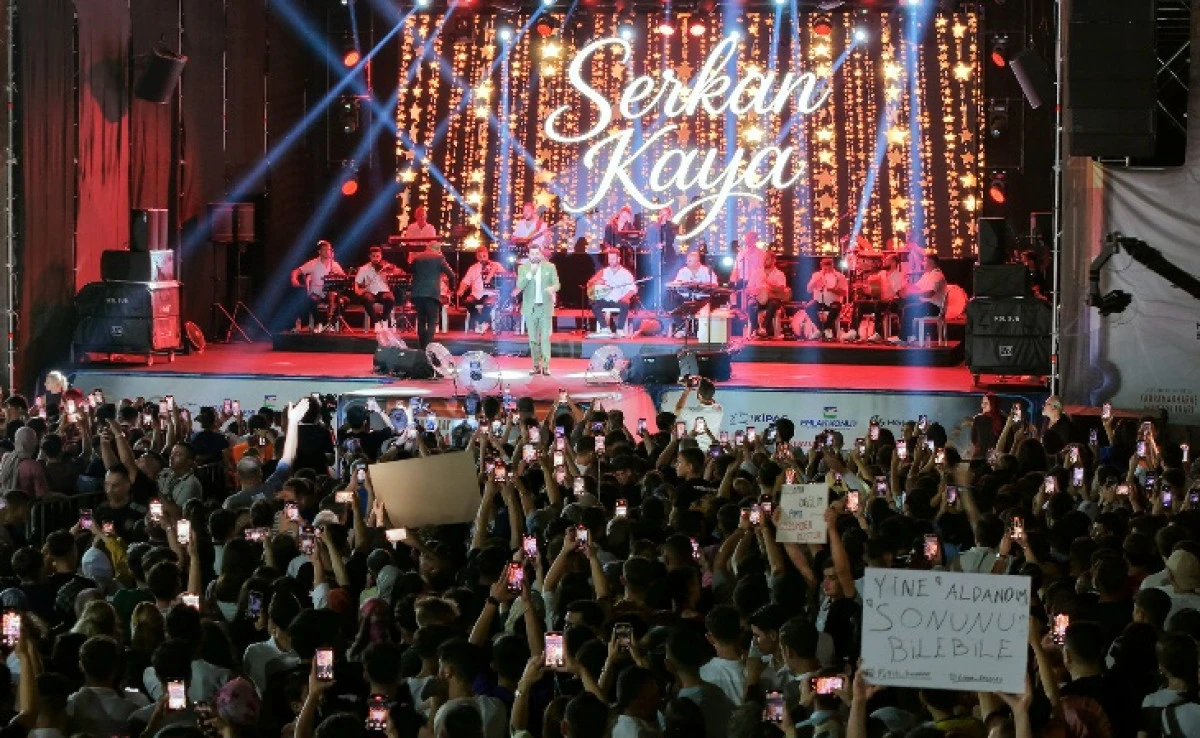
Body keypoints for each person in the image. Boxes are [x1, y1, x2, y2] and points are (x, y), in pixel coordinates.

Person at [512, 243, 559, 376]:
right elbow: (520, 285)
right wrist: (530, 273)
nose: (535, 256)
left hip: (545, 307)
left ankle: (546, 366)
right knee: (533, 339)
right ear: (528, 255)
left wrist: (552, 288)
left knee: (545, 338)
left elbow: (557, 284)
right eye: (532, 254)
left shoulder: (550, 267)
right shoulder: (523, 268)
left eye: (537, 253)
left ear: (541, 254)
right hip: (530, 308)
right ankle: (535, 365)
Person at [408, 241, 456, 349]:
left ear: (427, 248)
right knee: (432, 321)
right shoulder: (439, 258)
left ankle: (422, 347)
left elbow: (410, 270)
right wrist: (452, 289)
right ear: (438, 249)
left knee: (421, 321)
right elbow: (451, 275)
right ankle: (427, 347)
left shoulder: (417, 258)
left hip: (417, 294)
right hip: (432, 294)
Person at [290, 240, 347, 331]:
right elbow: (296, 271)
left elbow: (343, 277)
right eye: (324, 250)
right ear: (319, 252)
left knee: (345, 300)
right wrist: (294, 279)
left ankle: (332, 323)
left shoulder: (334, 264)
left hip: (330, 293)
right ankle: (319, 323)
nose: (327, 252)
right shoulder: (313, 263)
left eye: (328, 250)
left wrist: (338, 276)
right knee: (310, 301)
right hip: (317, 293)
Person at [897, 253, 947, 343]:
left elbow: (930, 293)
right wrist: (905, 288)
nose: (922, 263)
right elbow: (916, 287)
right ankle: (909, 336)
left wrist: (913, 294)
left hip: (934, 307)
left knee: (909, 309)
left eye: (924, 261)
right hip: (926, 304)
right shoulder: (926, 275)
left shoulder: (937, 275)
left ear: (931, 262)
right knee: (902, 303)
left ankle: (904, 338)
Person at [586, 248, 637, 338]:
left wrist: (625, 297)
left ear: (618, 259)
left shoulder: (626, 274)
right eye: (609, 259)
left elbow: (633, 289)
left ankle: (620, 329)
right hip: (606, 299)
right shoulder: (604, 271)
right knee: (593, 302)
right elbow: (589, 283)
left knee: (625, 304)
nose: (611, 261)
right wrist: (596, 282)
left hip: (618, 300)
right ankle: (604, 328)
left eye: (613, 259)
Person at [353, 246, 403, 329]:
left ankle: (384, 320)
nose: (376, 259)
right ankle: (376, 323)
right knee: (366, 298)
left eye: (378, 256)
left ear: (381, 256)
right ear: (370, 256)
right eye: (373, 256)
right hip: (371, 292)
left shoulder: (386, 267)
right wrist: (357, 290)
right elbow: (356, 282)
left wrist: (390, 273)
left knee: (390, 297)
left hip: (384, 292)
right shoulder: (364, 268)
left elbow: (400, 272)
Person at [457, 248, 505, 335]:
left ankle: (481, 323)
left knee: (488, 303)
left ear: (487, 255)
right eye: (480, 256)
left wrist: (493, 269)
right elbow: (465, 281)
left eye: (484, 256)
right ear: (476, 257)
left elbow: (504, 277)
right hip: (476, 294)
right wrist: (461, 289)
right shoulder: (473, 268)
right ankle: (482, 322)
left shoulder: (496, 265)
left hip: (491, 293)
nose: (482, 258)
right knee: (467, 302)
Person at [859, 254, 904, 342]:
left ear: (894, 262)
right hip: (881, 302)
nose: (884, 262)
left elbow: (897, 292)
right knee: (859, 304)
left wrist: (886, 284)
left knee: (878, 304)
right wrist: (866, 286)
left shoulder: (899, 276)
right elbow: (873, 286)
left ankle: (878, 333)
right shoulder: (882, 273)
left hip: (894, 302)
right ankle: (854, 331)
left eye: (887, 261)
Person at [804, 257, 849, 341]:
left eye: (828, 264)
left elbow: (844, 293)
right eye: (824, 265)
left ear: (832, 265)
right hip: (819, 301)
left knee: (835, 308)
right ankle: (822, 329)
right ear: (821, 265)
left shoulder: (839, 276)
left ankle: (825, 329)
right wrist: (816, 281)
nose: (826, 267)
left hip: (833, 302)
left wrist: (833, 290)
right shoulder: (816, 275)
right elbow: (808, 290)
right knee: (809, 307)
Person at [749, 251, 789, 339]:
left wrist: (769, 283)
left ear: (774, 260)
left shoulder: (780, 274)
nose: (764, 261)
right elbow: (749, 288)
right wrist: (755, 290)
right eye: (763, 259)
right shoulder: (756, 272)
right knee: (751, 304)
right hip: (759, 299)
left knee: (772, 304)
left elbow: (781, 290)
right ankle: (756, 329)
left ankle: (764, 328)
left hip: (773, 299)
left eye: (767, 259)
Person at [0, 425, 49, 498]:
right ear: (33, 442)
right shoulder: (34, 467)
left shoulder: (6, 458)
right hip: (28, 504)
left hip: (7, 502)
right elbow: (42, 495)